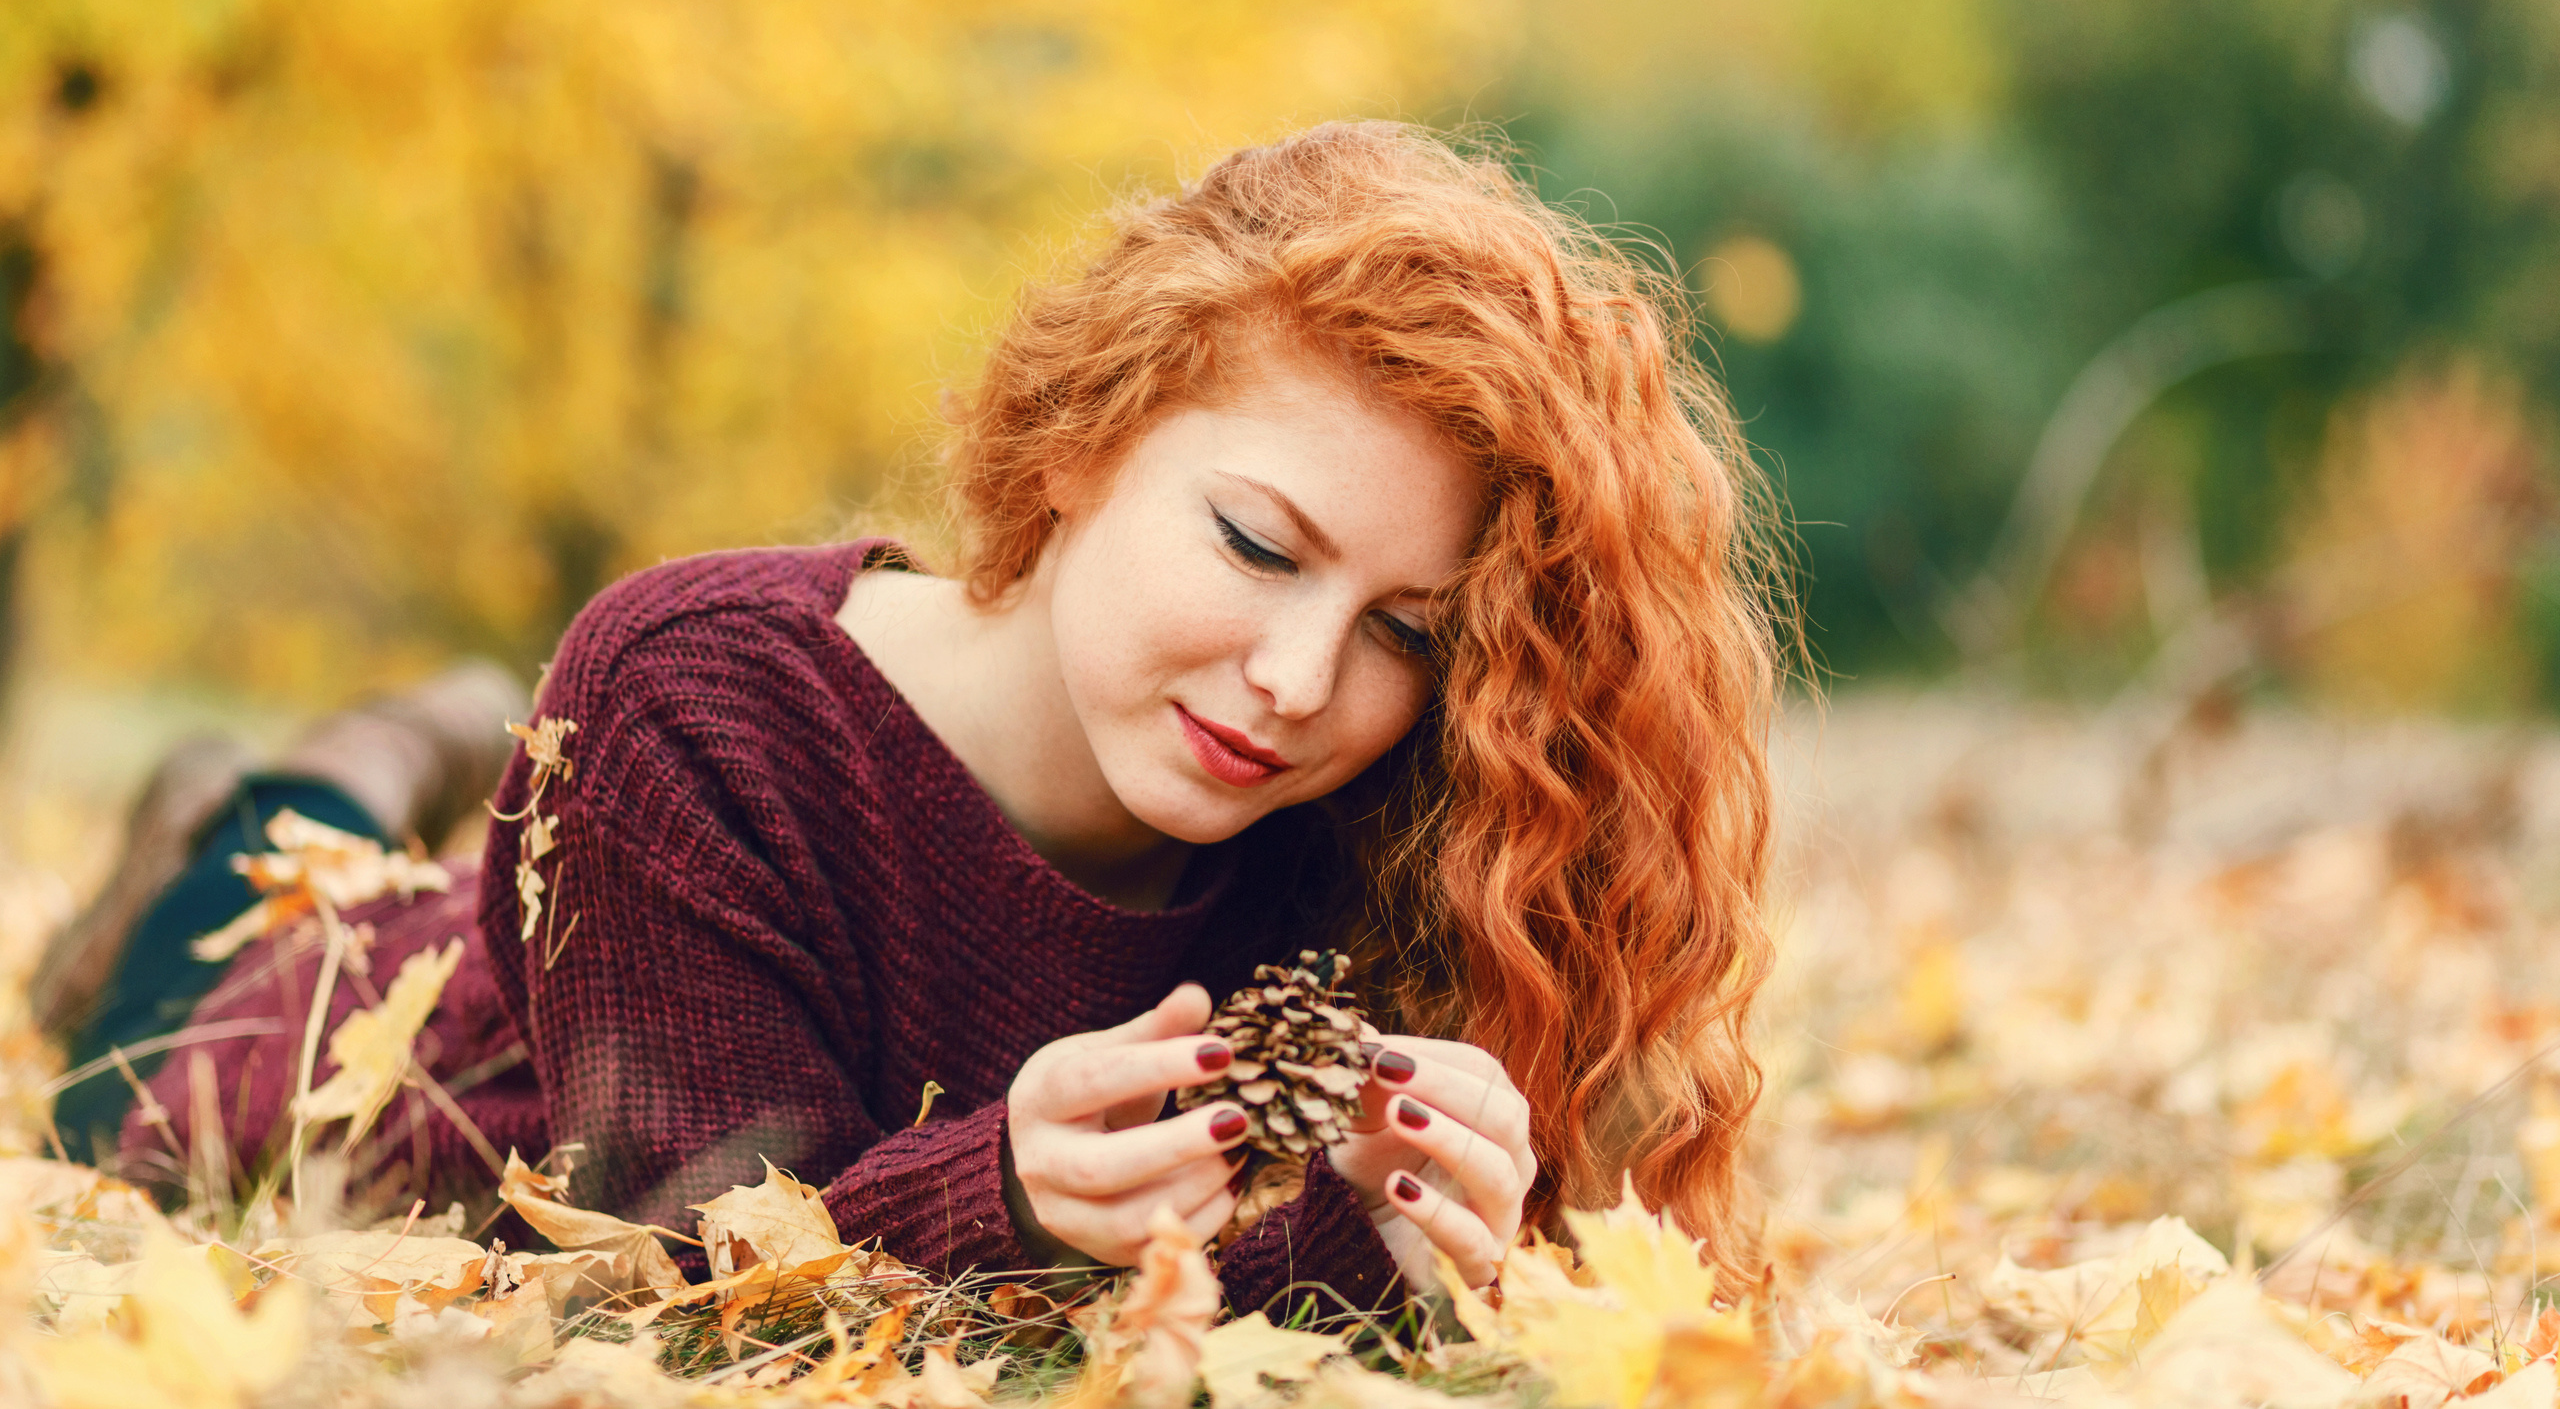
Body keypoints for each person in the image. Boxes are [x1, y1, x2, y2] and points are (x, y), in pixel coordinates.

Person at [43, 121, 1784, 1313]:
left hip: (523, 925)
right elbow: (680, 1260)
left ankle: (379, 761)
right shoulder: (687, 697)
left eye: (1407, 632)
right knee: (225, 931)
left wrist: (1405, 1233)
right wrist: (1007, 1194)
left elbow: (1224, 1299)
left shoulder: (1377, 817)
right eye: (1258, 544)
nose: (1300, 682)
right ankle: (316, 772)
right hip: (299, 1044)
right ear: (1090, 432)